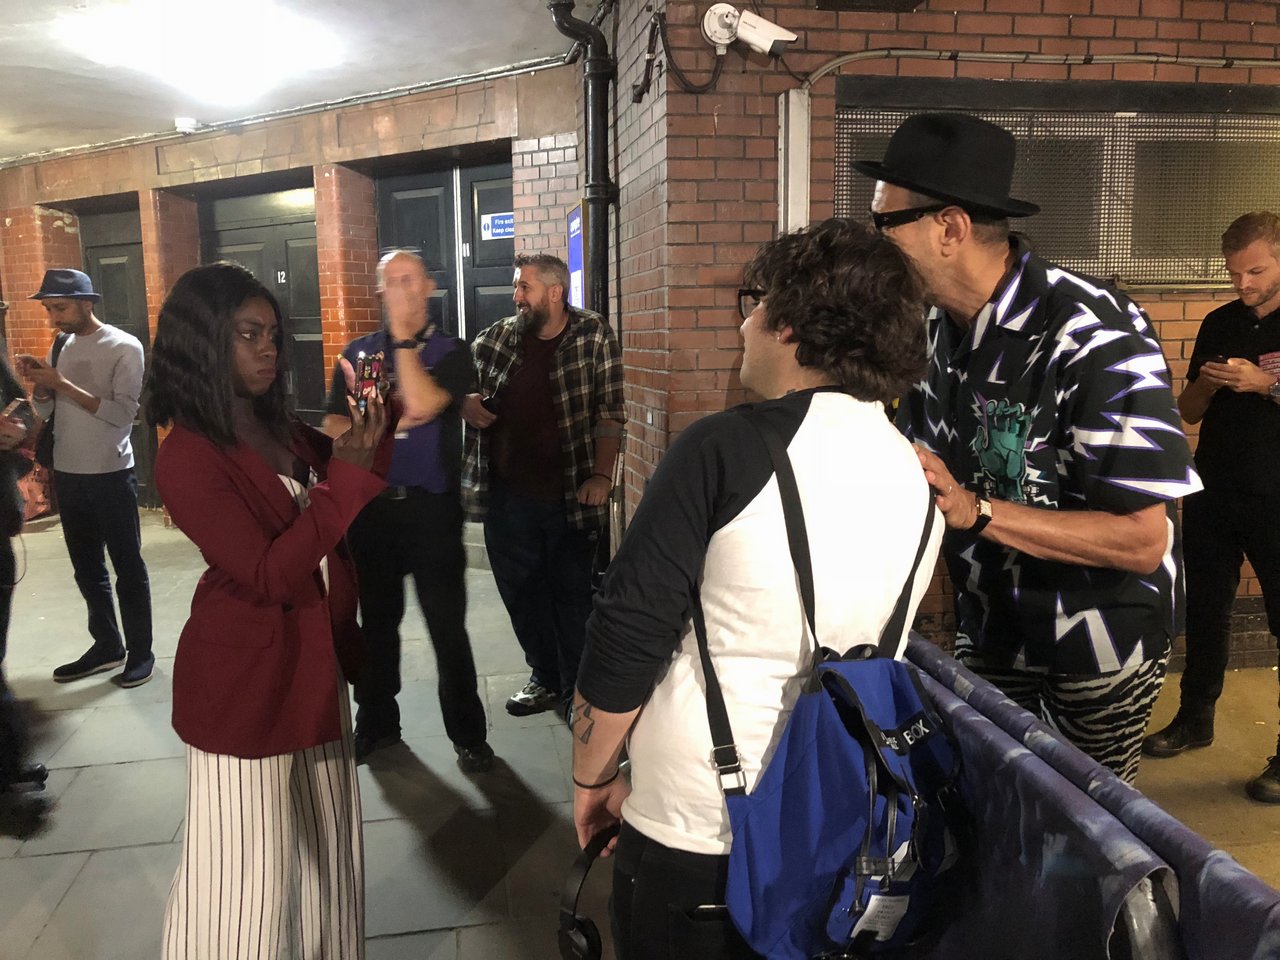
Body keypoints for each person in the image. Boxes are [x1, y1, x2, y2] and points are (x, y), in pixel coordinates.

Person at [570, 219, 943, 959]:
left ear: (795, 325)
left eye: (757, 300)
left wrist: (594, 774)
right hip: (840, 813)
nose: (745, 321)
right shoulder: (919, 472)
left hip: (700, 823)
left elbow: (629, 631)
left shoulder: (724, 449)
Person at [856, 112, 1202, 783]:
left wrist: (978, 511)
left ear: (950, 229)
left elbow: (1140, 541)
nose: (875, 245)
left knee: (1090, 836)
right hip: (990, 630)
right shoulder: (929, 330)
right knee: (989, 808)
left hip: (1096, 640)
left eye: (885, 225)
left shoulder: (1092, 330)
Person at [146, 262, 390, 959]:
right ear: (202, 341)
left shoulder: (275, 425)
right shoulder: (187, 458)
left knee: (329, 864)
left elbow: (358, 468)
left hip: (315, 667)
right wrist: (343, 482)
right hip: (246, 687)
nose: (268, 349)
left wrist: (383, 418)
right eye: (247, 334)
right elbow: (265, 572)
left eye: (273, 335)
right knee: (240, 883)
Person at [323, 249, 492, 770]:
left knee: (447, 627)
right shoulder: (356, 353)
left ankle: (468, 735)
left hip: (431, 512)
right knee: (377, 623)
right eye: (390, 281)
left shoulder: (450, 351)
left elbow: (420, 404)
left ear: (427, 288)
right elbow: (333, 425)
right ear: (379, 291)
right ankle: (376, 722)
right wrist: (358, 433)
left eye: (408, 280)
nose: (399, 289)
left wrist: (400, 340)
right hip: (372, 512)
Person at [1142, 212, 1280, 803]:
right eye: (1234, 272)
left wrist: (1266, 384)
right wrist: (1207, 383)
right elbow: (1190, 411)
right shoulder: (1222, 321)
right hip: (1216, 489)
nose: (1243, 283)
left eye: (1256, 270)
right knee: (1205, 612)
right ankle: (1195, 717)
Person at [461, 253, 624, 722]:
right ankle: (545, 677)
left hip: (571, 496)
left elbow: (610, 411)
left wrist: (601, 475)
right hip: (507, 498)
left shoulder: (594, 335)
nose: (517, 297)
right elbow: (460, 390)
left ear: (555, 292)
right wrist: (465, 405)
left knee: (573, 599)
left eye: (525, 288)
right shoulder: (494, 340)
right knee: (521, 596)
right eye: (516, 287)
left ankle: (577, 691)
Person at [17, 268, 154, 687]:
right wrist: (41, 389)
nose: (54, 318)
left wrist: (61, 382)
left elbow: (123, 416)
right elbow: (48, 412)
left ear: (86, 302)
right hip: (69, 471)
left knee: (127, 566)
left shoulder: (124, 346)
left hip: (111, 472)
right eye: (48, 309)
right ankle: (108, 646)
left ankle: (140, 652)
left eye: (60, 307)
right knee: (86, 567)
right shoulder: (61, 344)